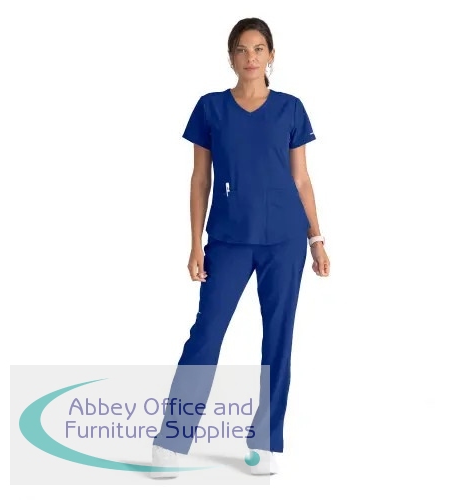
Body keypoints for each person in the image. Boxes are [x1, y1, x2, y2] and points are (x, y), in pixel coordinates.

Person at [151, 17, 330, 478]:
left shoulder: (291, 109)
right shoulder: (210, 108)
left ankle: (264, 442)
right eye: (242, 49)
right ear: (230, 57)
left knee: (279, 338)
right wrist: (195, 243)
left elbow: (301, 179)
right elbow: (200, 179)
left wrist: (316, 238)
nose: (250, 57)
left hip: (285, 240)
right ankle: (172, 439)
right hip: (228, 239)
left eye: (258, 49)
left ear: (271, 55)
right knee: (206, 333)